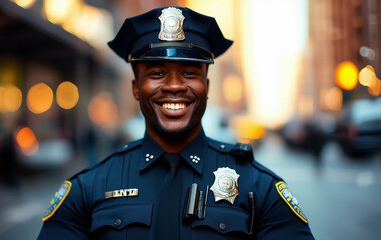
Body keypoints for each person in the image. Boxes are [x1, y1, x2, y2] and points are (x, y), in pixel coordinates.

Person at [37, 6, 314, 240]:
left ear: (206, 85)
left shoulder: (258, 187)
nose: (174, 86)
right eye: (157, 72)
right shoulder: (90, 187)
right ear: (136, 87)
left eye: (189, 72)